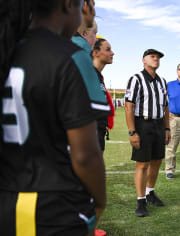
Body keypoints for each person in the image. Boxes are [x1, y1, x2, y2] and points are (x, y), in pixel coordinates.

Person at [0, 0, 109, 235]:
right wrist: (100, 200)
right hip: (53, 205)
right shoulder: (70, 56)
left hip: (8, 199)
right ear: (69, 4)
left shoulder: (9, 46)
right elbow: (85, 154)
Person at [125, 49, 170, 217]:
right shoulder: (136, 79)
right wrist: (132, 131)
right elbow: (129, 106)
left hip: (158, 125)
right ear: (144, 60)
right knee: (142, 164)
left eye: (158, 57)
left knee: (157, 161)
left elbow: (165, 107)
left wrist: (167, 128)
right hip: (143, 124)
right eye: (153, 56)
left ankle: (150, 192)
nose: (156, 59)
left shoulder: (162, 81)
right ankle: (140, 199)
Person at [92, 38, 116, 152]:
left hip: (99, 131)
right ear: (95, 53)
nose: (112, 53)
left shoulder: (99, 76)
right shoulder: (88, 74)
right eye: (108, 49)